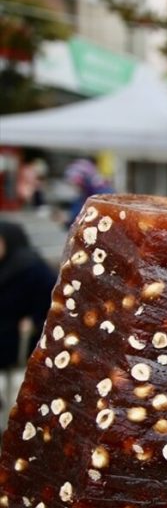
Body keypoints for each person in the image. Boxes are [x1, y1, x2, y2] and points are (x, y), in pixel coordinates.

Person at [0, 222, 55, 371]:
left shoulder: (32, 268)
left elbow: (50, 302)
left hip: (18, 337)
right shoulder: (5, 263)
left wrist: (34, 320)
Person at [64, 158, 114, 226]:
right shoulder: (87, 192)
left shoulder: (101, 194)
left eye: (75, 184)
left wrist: (69, 221)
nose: (74, 187)